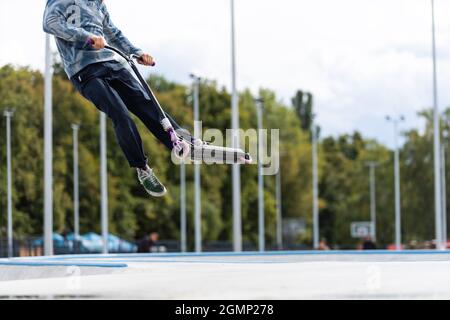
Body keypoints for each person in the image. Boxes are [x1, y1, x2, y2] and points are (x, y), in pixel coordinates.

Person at [43, 0, 190, 197]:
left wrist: (136, 52)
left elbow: (113, 32)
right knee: (120, 114)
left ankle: (181, 142)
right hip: (84, 70)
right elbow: (49, 23)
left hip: (112, 62)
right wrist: (86, 37)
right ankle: (143, 169)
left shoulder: (97, 3)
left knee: (145, 102)